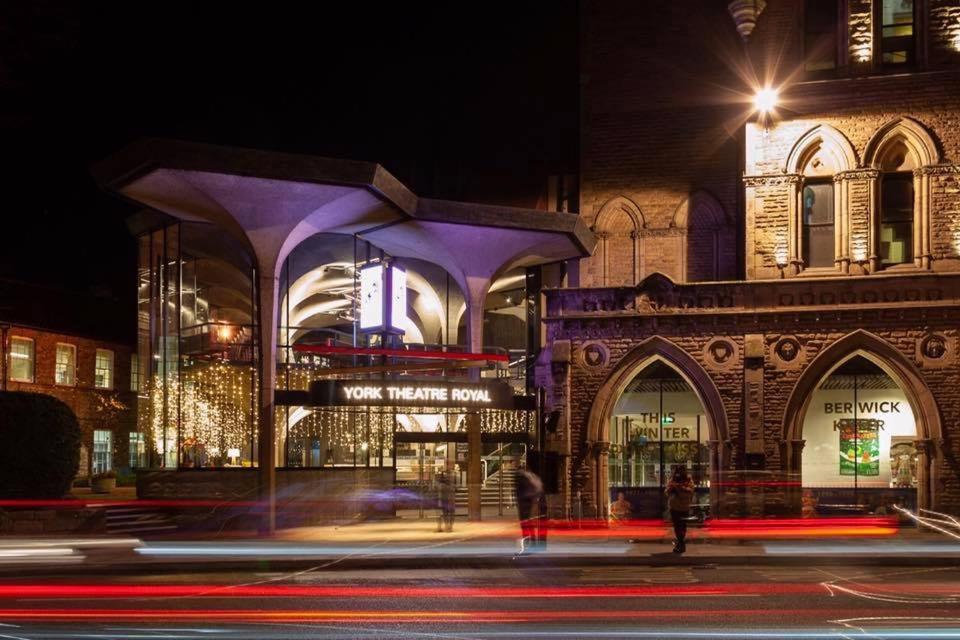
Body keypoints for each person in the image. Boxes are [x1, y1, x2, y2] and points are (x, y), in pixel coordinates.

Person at [514, 462, 545, 553]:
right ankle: (533, 543)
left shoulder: (522, 477)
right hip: (528, 502)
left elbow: (519, 492)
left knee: (525, 524)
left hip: (524, 502)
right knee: (528, 523)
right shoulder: (531, 476)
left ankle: (528, 544)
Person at [665, 465, 694, 554]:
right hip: (674, 507)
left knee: (682, 526)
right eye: (677, 471)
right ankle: (680, 544)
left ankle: (680, 544)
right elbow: (666, 492)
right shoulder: (673, 479)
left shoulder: (688, 480)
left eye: (681, 471)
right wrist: (671, 487)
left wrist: (678, 487)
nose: (678, 473)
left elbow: (689, 492)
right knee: (677, 527)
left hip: (683, 507)